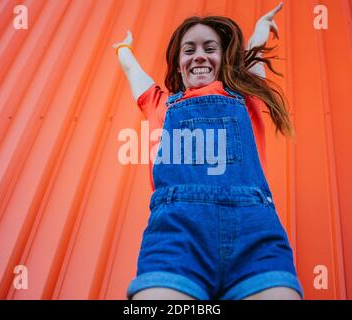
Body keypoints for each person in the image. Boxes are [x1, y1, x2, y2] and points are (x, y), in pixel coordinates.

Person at [114, 2, 303, 300]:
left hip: (253, 233)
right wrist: (122, 49)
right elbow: (131, 70)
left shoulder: (246, 95)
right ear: (178, 64)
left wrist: (261, 28)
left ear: (223, 58)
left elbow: (252, 54)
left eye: (209, 48)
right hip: (178, 237)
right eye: (189, 50)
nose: (199, 55)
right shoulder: (159, 103)